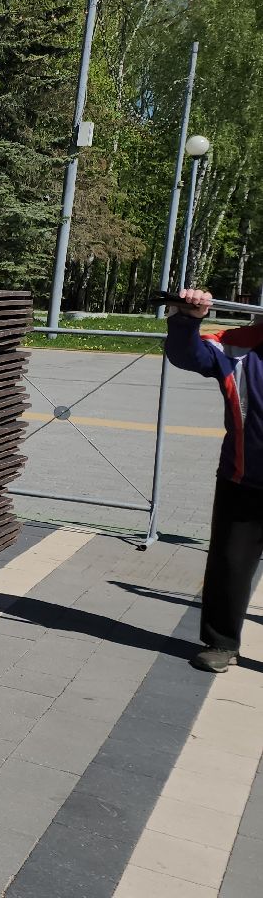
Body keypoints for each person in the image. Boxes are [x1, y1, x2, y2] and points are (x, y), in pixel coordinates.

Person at [161, 288, 263, 673]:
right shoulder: (237, 346)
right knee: (230, 564)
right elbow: (186, 354)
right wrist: (187, 318)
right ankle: (221, 643)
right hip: (244, 477)